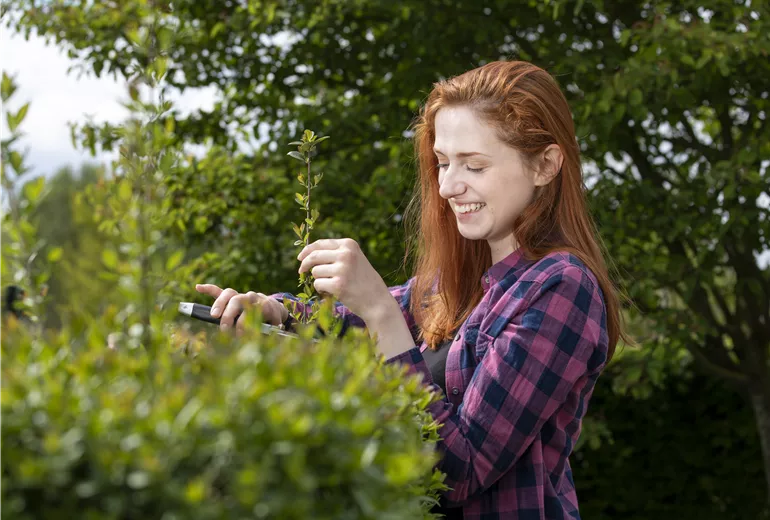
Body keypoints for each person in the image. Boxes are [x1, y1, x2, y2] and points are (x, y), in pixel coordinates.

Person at [195, 60, 628, 519]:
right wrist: (275, 313)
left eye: (474, 165)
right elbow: (347, 330)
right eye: (442, 163)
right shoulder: (455, 282)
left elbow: (459, 473)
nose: (447, 186)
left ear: (545, 165)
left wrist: (381, 311)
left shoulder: (560, 287)